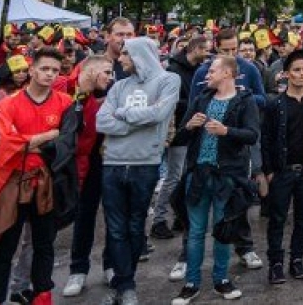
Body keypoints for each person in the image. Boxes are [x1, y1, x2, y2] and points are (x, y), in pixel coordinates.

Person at [96, 30, 180, 305]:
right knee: (116, 228)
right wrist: (136, 121)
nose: (120, 59)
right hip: (113, 165)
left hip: (145, 164)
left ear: (139, 55)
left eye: (125, 53)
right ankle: (126, 285)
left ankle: (125, 283)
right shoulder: (119, 86)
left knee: (134, 226)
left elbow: (159, 115)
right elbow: (102, 122)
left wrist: (122, 114)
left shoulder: (168, 80)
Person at [170, 53, 259, 304]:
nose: (206, 75)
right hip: (198, 174)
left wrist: (226, 131)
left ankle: (221, 279)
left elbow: (252, 135)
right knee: (195, 231)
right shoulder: (201, 99)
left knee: (223, 230)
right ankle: (192, 282)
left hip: (227, 177)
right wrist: (189, 127)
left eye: (211, 71)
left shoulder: (245, 101)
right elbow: (180, 138)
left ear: (228, 73)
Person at [0, 47, 72, 305]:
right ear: (32, 70)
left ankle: (42, 297)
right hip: (13, 183)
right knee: (4, 247)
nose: (49, 74)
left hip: (46, 183)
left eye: (55, 70)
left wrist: (25, 142)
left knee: (44, 245)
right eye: (44, 69)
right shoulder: (9, 103)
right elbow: (4, 143)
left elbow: (66, 144)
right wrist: (48, 135)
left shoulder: (65, 102)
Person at [261, 51, 303, 285]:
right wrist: (268, 170)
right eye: (297, 70)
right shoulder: (275, 104)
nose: (302, 74)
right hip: (282, 171)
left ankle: (297, 259)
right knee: (277, 218)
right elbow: (267, 138)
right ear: (287, 73)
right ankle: (276, 263)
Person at [60, 56, 114, 298]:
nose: (111, 78)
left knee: (114, 214)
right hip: (81, 164)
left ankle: (111, 265)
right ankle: (78, 270)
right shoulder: (64, 89)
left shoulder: (108, 93)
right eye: (106, 72)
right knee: (84, 216)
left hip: (108, 159)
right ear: (90, 72)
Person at [151, 35, 209, 240]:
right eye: (205, 50)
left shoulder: (197, 70)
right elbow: (171, 101)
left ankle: (178, 216)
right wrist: (195, 105)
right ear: (194, 49)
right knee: (174, 177)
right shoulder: (174, 71)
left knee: (183, 176)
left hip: (190, 130)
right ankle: (158, 220)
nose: (207, 54)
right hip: (177, 130)